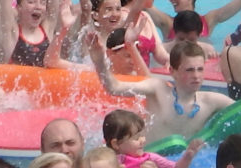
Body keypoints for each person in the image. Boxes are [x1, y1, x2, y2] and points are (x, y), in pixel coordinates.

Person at [96, 39, 233, 139]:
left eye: (200, 69)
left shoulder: (211, 101)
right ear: (172, 71)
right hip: (149, 163)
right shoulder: (158, 90)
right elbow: (113, 87)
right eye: (189, 70)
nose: (196, 76)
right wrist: (99, 60)